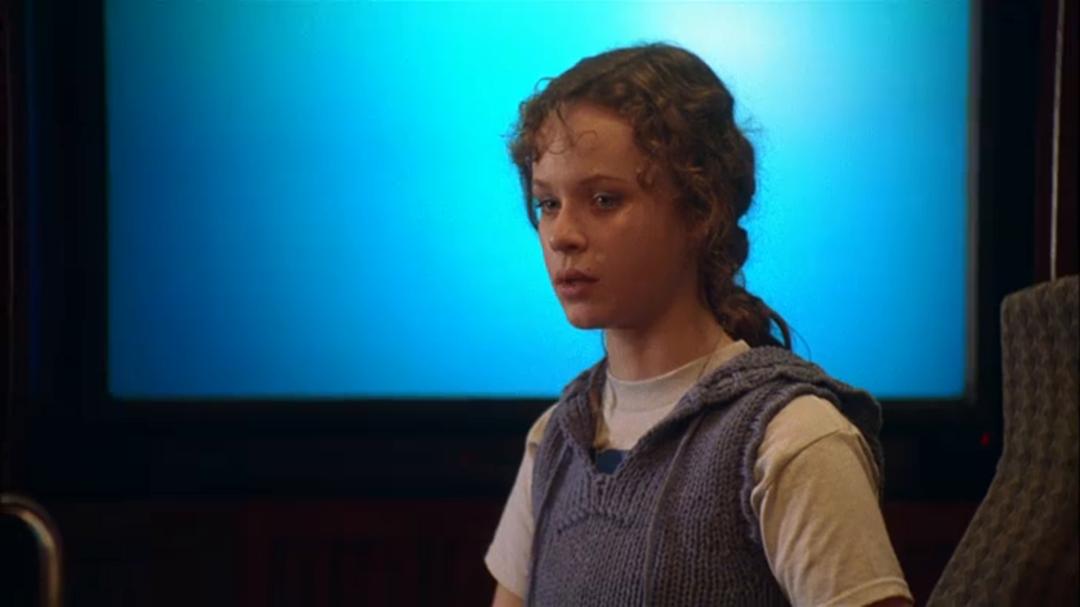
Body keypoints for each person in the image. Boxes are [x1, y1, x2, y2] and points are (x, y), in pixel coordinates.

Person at [485, 43, 913, 607]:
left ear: (699, 211)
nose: (562, 235)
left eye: (605, 199)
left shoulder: (791, 438)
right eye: (548, 204)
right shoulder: (555, 441)